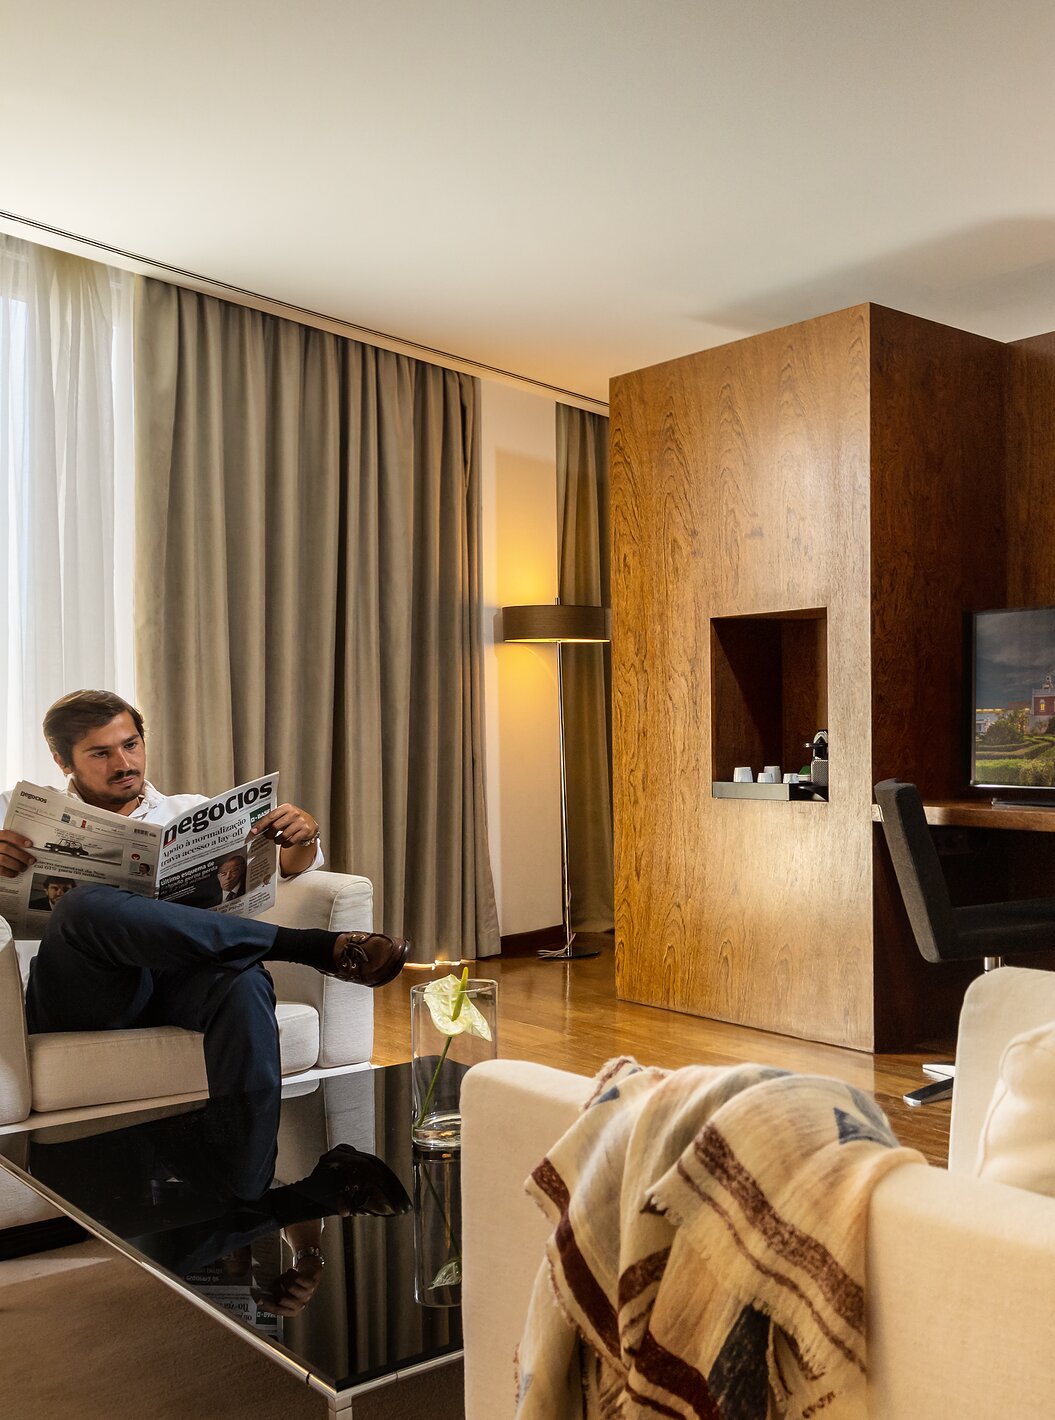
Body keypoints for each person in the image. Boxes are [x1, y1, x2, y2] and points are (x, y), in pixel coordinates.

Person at [0, 689, 409, 1097]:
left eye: (131, 745)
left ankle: (244, 1157)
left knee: (244, 981)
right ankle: (307, 947)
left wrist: (304, 833)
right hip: (84, 991)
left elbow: (289, 869)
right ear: (62, 761)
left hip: (174, 982)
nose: (124, 763)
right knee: (83, 905)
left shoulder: (189, 811)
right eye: (100, 753)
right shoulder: (16, 814)